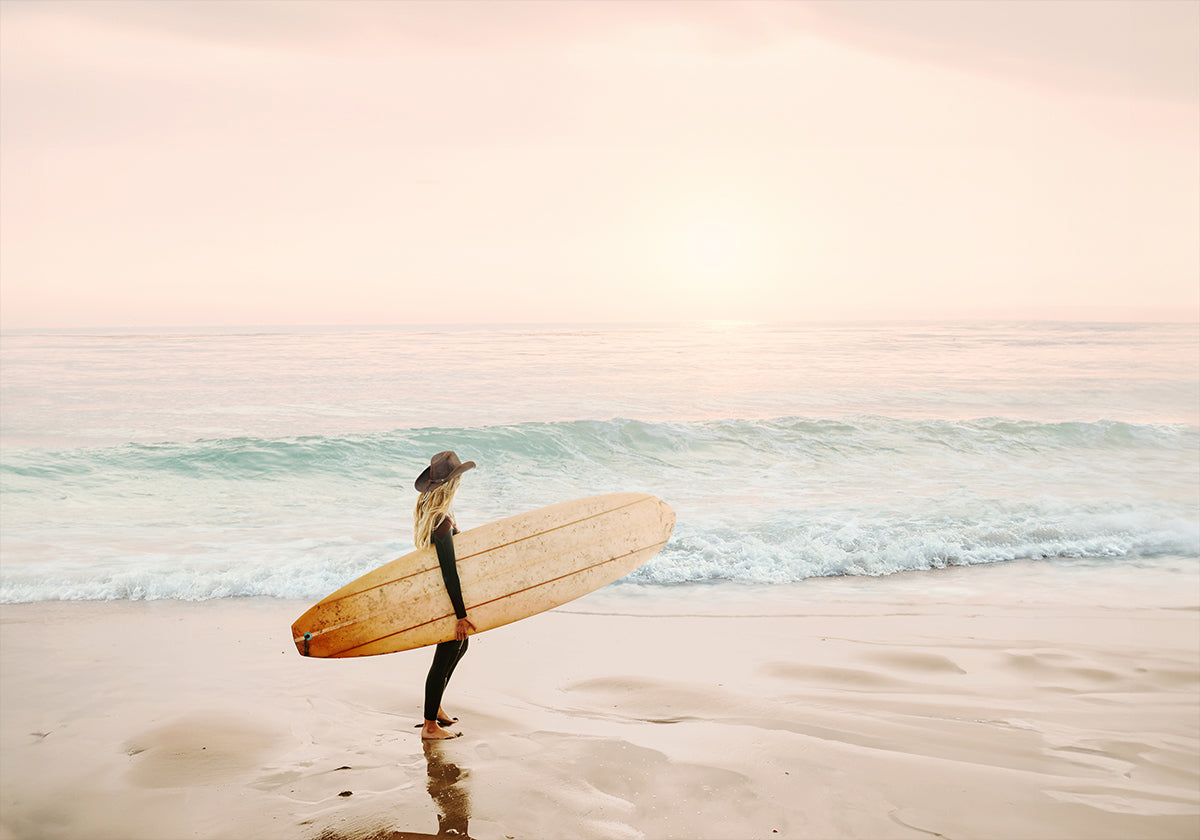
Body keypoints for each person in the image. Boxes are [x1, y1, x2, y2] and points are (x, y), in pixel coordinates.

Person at [413, 451, 477, 741]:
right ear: (450, 485)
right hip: (446, 600)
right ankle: (429, 726)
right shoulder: (441, 523)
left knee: (458, 649)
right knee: (446, 654)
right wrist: (461, 615)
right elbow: (449, 572)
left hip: (439, 597)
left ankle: (435, 707)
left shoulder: (430, 516)